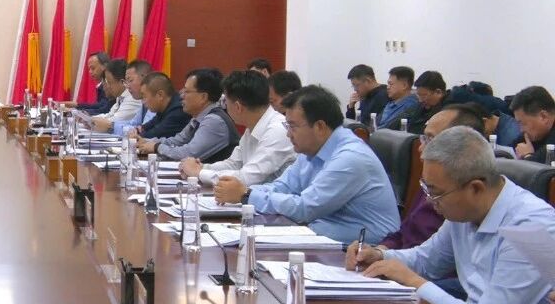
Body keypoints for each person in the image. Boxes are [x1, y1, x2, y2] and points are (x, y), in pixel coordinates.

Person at [349, 127, 555, 304]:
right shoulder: (465, 212)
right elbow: (427, 261)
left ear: (475, 188)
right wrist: (380, 257)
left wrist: (412, 281)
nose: (429, 201)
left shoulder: (529, 225)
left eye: (435, 192)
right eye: (426, 189)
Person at [231, 85, 399, 243]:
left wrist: (247, 195)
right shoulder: (311, 149)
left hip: (365, 247)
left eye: (292, 126)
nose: (288, 134)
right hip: (323, 233)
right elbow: (282, 187)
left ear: (319, 126)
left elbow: (304, 208)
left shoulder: (350, 158)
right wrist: (245, 191)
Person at [376, 104, 488, 256]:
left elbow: (436, 263)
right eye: (423, 138)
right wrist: (379, 253)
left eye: (430, 139)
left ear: (462, 146)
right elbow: (405, 235)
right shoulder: (432, 181)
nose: (420, 148)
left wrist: (391, 262)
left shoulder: (464, 196)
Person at [184, 69, 294, 190]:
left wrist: (199, 173)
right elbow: (233, 164)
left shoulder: (277, 131)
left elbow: (246, 178)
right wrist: (202, 168)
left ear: (238, 107)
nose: (224, 106)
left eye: (225, 101)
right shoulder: (254, 125)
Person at [138, 68, 237, 161]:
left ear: (203, 97)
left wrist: (156, 147)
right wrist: (146, 142)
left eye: (187, 91)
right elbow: (177, 141)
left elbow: (188, 154)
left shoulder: (214, 121)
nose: (181, 95)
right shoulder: (198, 117)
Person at [129, 72, 190, 140]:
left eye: (144, 96)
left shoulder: (178, 110)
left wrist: (136, 136)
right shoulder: (165, 106)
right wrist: (139, 129)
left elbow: (155, 134)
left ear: (160, 95)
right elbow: (152, 123)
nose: (143, 102)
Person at [90, 59, 139, 132]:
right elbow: (109, 115)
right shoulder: (120, 97)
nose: (108, 87)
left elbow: (113, 121)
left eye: (110, 82)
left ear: (122, 82)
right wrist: (89, 119)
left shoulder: (133, 98)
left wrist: (91, 121)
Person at [510, 86, 555, 163]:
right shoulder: (532, 134)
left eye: (523, 123)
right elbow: (513, 147)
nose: (521, 129)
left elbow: (546, 165)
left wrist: (527, 156)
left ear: (543, 116)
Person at [111, 60, 155, 135]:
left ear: (145, 79)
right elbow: (133, 124)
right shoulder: (143, 102)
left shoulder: (155, 100)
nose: (127, 86)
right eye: (126, 82)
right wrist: (111, 126)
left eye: (130, 80)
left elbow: (143, 131)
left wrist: (111, 126)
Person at [406, 70, 447, 134]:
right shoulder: (418, 107)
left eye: (424, 95)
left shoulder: (448, 114)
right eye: (418, 95)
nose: (420, 100)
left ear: (438, 92)